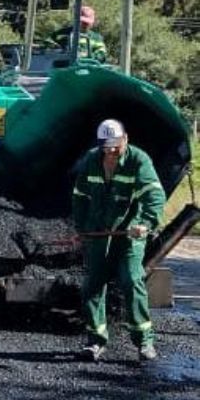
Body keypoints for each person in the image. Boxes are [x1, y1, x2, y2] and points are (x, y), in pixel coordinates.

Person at [71, 119, 165, 362]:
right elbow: (80, 196)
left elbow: (155, 195)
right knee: (92, 285)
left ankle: (144, 341)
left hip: (128, 235)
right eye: (106, 146)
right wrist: (81, 227)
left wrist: (145, 223)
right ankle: (95, 341)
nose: (111, 151)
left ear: (125, 139)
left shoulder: (138, 160)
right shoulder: (92, 160)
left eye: (115, 145)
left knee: (132, 281)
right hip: (98, 233)